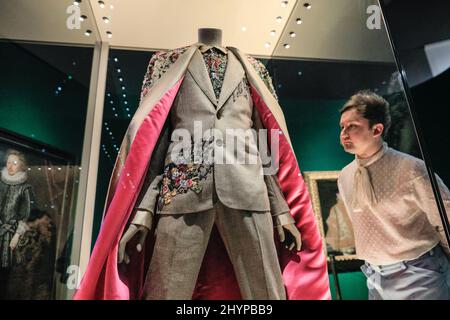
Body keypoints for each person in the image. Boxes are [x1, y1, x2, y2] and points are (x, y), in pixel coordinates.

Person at [74, 29, 330, 300]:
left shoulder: (253, 68)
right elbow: (154, 143)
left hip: (250, 197)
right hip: (182, 197)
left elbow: (264, 141)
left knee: (266, 293)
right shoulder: (166, 63)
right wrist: (143, 211)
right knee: (164, 292)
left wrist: (281, 210)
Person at [338, 90, 450, 300]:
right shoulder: (345, 176)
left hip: (419, 273)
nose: (344, 133)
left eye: (352, 126)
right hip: (375, 277)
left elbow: (445, 217)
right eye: (342, 126)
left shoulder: (412, 169)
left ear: (376, 129)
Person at [0, 149, 36, 298]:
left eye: (14, 163)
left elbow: (27, 214)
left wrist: (16, 236)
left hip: (11, 236)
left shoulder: (25, 188)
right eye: (8, 162)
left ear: (21, 166)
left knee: (6, 274)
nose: (10, 166)